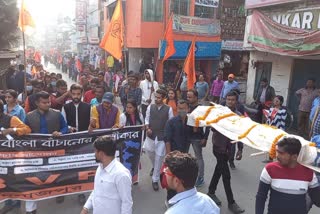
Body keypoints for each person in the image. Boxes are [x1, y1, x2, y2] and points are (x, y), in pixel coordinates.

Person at [24, 91, 68, 214]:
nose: (48, 104)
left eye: (48, 101)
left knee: (56, 174)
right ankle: (31, 209)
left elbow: (65, 127)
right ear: (37, 103)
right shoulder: (29, 116)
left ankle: (59, 192)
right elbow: (24, 131)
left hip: (54, 151)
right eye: (44, 102)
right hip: (35, 153)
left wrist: (60, 133)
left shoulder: (57, 114)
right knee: (33, 178)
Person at [255, 137, 320, 214]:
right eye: (277, 151)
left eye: (281, 153)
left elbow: (317, 200)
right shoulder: (269, 169)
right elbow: (261, 197)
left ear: (294, 157)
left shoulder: (309, 173)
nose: (277, 156)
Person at [207, 91, 245, 214]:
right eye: (228, 99)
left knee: (219, 169)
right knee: (226, 175)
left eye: (232, 100)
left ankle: (211, 191)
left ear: (236, 101)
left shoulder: (238, 115)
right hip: (218, 147)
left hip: (229, 149)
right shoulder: (220, 113)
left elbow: (240, 134)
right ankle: (231, 203)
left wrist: (240, 149)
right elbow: (211, 127)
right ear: (225, 100)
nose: (230, 102)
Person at [81, 135, 133, 214]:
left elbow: (127, 203)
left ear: (101, 153)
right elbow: (97, 190)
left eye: (95, 151)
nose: (94, 153)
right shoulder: (100, 167)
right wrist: (86, 207)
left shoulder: (121, 174)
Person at [0, 100, 31, 214]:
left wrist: (12, 130)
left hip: (11, 156)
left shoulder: (11, 119)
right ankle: (8, 202)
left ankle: (16, 203)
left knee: (12, 179)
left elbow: (27, 129)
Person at [144, 89, 174, 191]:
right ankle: (155, 167)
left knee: (159, 157)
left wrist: (168, 136)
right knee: (149, 152)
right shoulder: (150, 107)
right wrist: (147, 128)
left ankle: (155, 179)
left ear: (164, 98)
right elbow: (146, 119)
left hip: (162, 137)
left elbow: (170, 122)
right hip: (151, 135)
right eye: (155, 97)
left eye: (159, 97)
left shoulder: (168, 109)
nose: (156, 99)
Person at [164, 99, 190, 203]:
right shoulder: (171, 122)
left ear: (188, 109)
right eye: (179, 108)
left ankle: (181, 200)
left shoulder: (191, 121)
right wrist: (169, 156)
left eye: (183, 109)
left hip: (184, 156)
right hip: (173, 157)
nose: (181, 111)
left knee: (182, 180)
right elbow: (167, 140)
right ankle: (170, 201)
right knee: (171, 181)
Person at [186, 89, 209, 187]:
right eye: (187, 96)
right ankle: (186, 175)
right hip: (186, 135)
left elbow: (207, 124)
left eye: (190, 97)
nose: (188, 99)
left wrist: (205, 138)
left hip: (197, 136)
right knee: (184, 156)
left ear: (196, 97)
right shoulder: (186, 107)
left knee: (198, 157)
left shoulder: (201, 109)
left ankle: (200, 177)